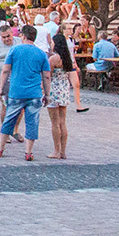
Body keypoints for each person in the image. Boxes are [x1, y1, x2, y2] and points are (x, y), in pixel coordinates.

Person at [0, 23, 50, 160]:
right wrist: (47, 94)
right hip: (34, 92)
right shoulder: (41, 54)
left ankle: (0, 148)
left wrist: (1, 88)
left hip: (16, 91)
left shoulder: (14, 50)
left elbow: (5, 70)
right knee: (32, 122)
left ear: (24, 36)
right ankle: (28, 152)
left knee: (9, 119)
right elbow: (46, 76)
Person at [45, 23, 76, 159]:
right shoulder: (66, 59)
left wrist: (44, 90)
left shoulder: (54, 58)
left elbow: (48, 75)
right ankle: (63, 151)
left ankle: (56, 150)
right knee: (63, 121)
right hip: (64, 89)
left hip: (54, 89)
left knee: (54, 122)